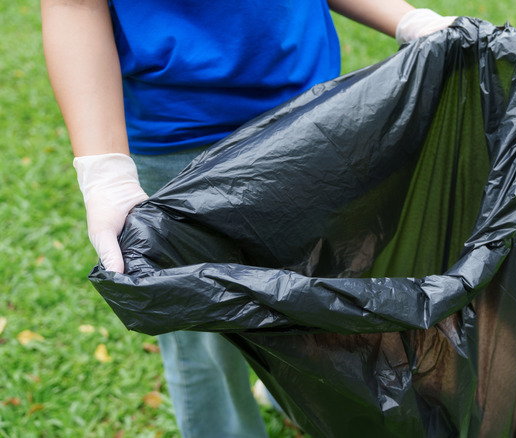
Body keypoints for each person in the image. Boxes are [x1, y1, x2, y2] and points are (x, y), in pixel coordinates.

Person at [41, 1, 456, 436]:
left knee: (326, 282)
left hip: (312, 113)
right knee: (204, 335)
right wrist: (104, 171)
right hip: (182, 138)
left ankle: (299, 395)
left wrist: (408, 19)